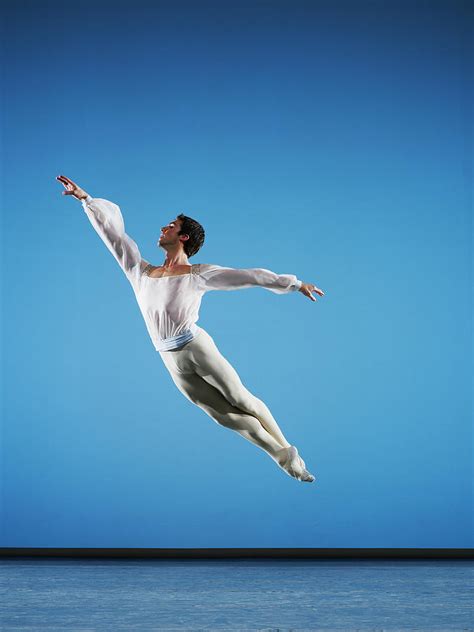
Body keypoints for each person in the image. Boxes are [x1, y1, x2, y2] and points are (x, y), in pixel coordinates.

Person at [56, 174, 325, 482]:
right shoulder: (140, 271)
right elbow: (115, 237)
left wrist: (294, 283)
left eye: (170, 225)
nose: (162, 228)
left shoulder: (198, 273)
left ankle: (288, 451)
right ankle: (282, 458)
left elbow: (250, 275)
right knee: (224, 416)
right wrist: (85, 199)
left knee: (240, 399)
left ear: (183, 237)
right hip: (168, 358)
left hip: (195, 347)